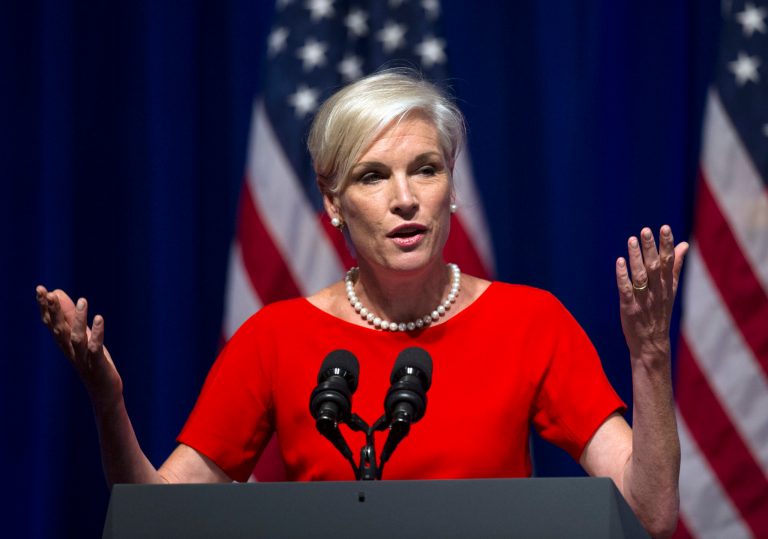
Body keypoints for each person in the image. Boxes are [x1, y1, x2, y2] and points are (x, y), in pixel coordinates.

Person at [36, 69, 686, 537]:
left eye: (425, 169)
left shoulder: (530, 321)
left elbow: (648, 510)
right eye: (374, 176)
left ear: (450, 188)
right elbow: (157, 514)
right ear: (332, 201)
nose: (405, 198)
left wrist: (651, 357)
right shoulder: (275, 337)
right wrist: (107, 398)